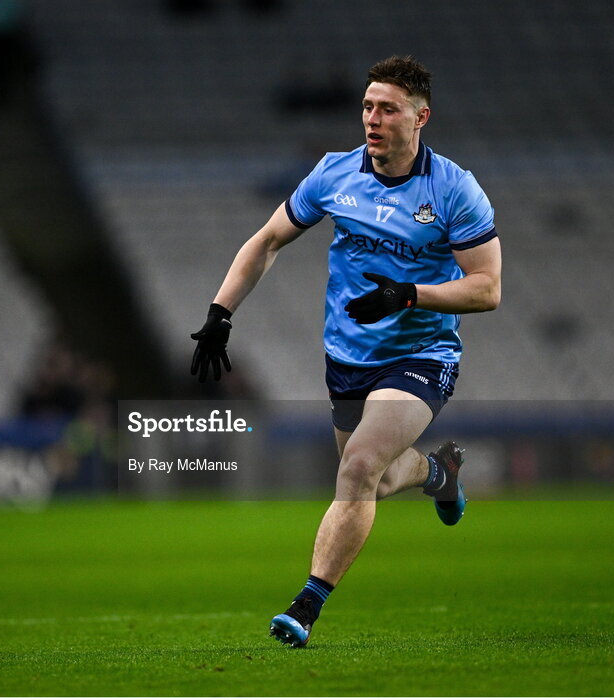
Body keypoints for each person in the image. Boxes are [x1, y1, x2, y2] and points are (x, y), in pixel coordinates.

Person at [189, 55, 501, 647]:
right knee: (374, 480)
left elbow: (487, 289)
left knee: (357, 466)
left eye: (388, 108)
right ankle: (439, 472)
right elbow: (268, 240)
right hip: (348, 357)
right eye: (367, 106)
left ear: (420, 117)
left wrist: (409, 295)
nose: (373, 118)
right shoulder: (334, 173)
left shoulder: (455, 190)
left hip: (421, 354)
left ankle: (305, 607)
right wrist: (219, 314)